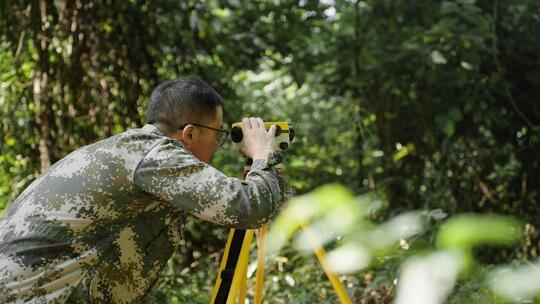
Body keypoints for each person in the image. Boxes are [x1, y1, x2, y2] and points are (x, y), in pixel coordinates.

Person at [0, 77, 293, 303]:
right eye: (217, 136)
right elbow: (251, 208)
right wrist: (263, 155)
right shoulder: (156, 157)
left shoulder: (131, 149)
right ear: (190, 133)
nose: (217, 147)